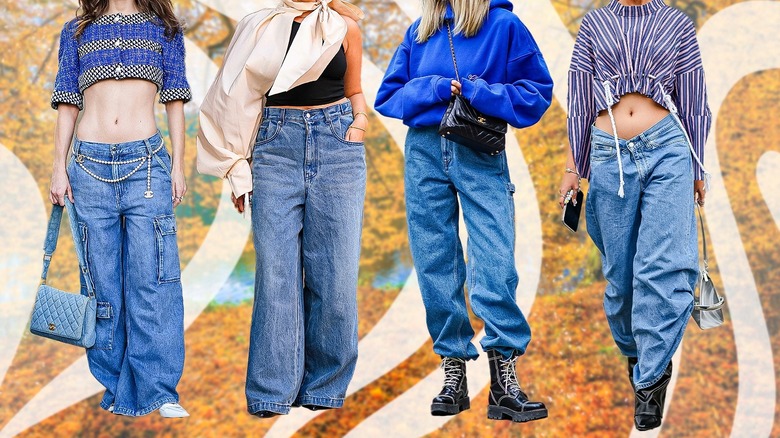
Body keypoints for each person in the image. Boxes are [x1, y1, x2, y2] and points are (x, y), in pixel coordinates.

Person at [375, 0, 553, 423]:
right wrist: (434, 88)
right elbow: (388, 96)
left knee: (494, 257)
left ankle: (504, 380)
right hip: (423, 150)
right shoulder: (420, 30)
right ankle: (452, 373)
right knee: (434, 259)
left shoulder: (504, 25)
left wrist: (479, 91)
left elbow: (536, 92)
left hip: (478, 147)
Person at [197, 0, 367, 418]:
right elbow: (232, 98)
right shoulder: (258, 26)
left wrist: (359, 123)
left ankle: (324, 387)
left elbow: (355, 89)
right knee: (276, 274)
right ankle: (271, 392)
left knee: (336, 274)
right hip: (274, 144)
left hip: (337, 142)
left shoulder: (345, 26)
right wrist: (237, 166)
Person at [560, 0, 711, 430]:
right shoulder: (594, 23)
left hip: (668, 150)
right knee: (621, 279)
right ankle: (639, 352)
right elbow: (580, 98)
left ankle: (650, 380)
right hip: (609, 155)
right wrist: (575, 168)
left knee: (658, 269)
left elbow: (695, 99)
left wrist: (698, 167)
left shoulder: (676, 23)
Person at [48, 0, 191, 418]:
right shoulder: (76, 31)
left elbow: (176, 99)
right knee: (100, 283)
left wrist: (178, 165)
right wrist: (59, 168)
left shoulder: (165, 28)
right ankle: (114, 387)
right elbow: (67, 102)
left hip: (146, 164)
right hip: (87, 166)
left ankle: (159, 391)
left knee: (154, 279)